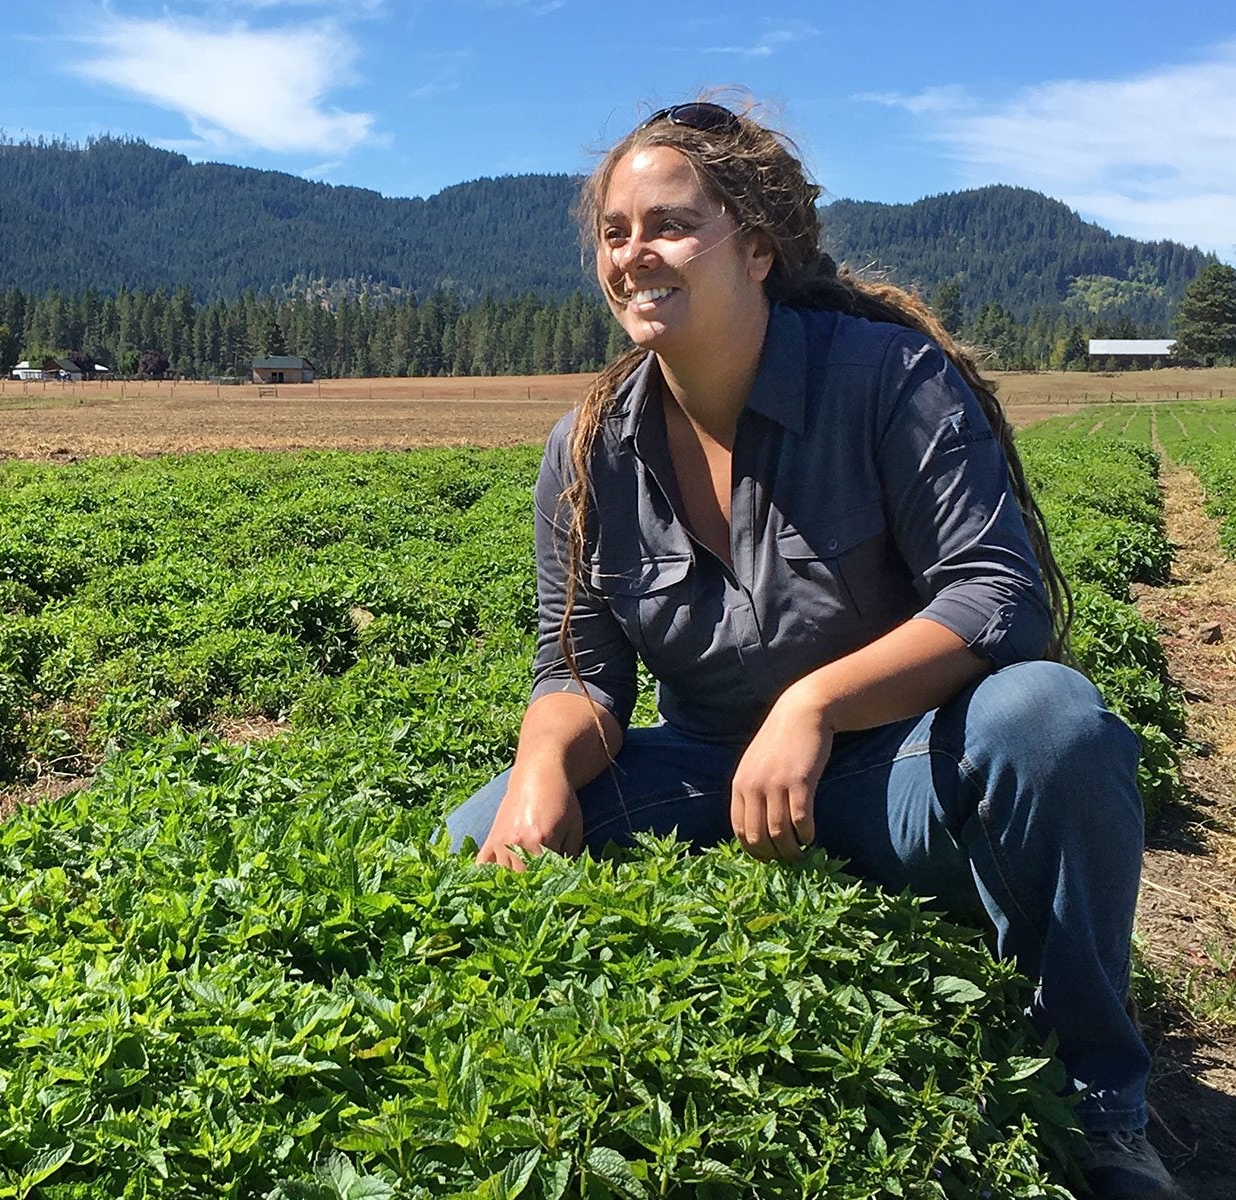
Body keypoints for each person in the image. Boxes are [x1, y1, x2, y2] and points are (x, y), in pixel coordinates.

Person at [443, 97, 1180, 1200]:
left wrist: (816, 705)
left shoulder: (885, 380)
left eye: (669, 225)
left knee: (1048, 721)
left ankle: (1097, 1097)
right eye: (614, 231)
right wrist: (543, 769)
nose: (635, 254)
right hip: (704, 773)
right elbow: (580, 673)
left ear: (757, 245)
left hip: (892, 766)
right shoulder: (589, 447)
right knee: (472, 836)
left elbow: (998, 598)